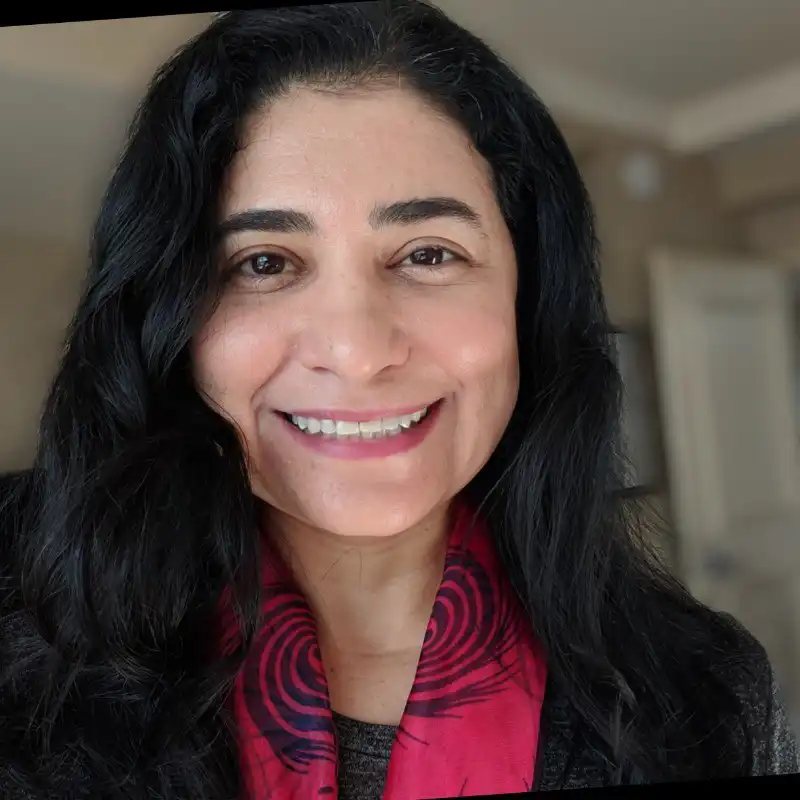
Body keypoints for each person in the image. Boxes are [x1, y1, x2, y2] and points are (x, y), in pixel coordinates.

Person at [0, 2, 797, 798]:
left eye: (428, 254)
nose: (357, 350)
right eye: (265, 263)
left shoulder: (708, 695)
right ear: (166, 319)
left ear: (528, 301)